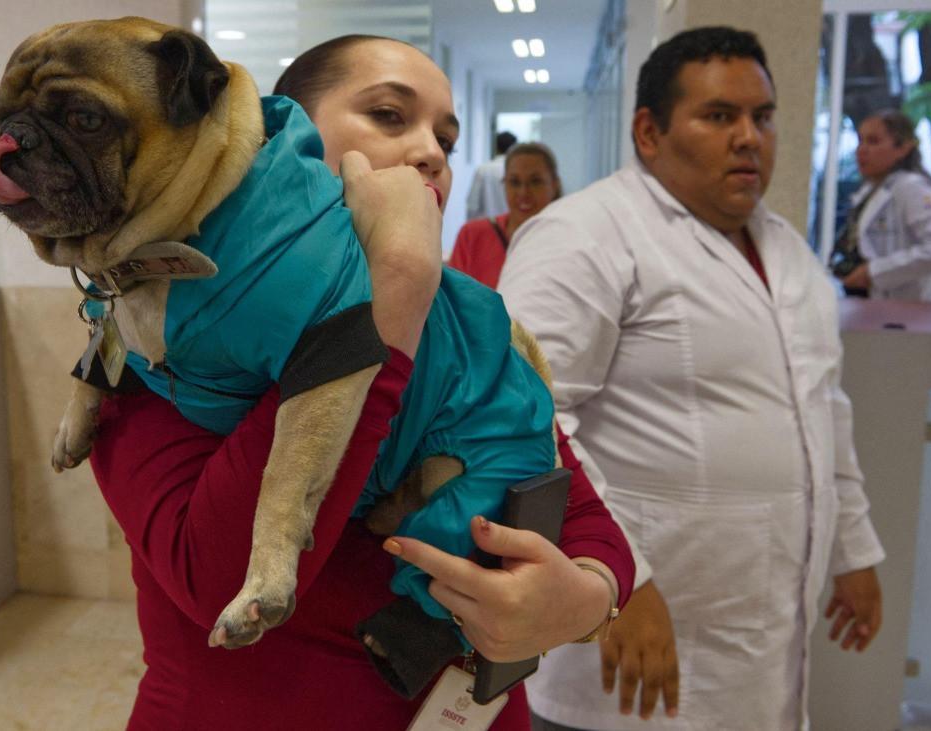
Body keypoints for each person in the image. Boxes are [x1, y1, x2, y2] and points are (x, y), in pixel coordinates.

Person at [88, 33, 634, 730]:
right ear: (277, 136)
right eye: (387, 115)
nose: (431, 152)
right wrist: (392, 285)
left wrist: (583, 600)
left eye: (445, 135)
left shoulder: (465, 327)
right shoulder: (159, 335)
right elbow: (224, 582)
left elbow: (579, 512)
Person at [499, 26, 886, 731]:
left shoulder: (790, 252)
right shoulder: (584, 235)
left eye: (761, 118)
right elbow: (524, 412)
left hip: (763, 642)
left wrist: (853, 551)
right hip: (628, 640)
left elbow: (823, 413)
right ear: (648, 131)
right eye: (718, 116)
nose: (748, 137)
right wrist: (619, 578)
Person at [834, 108, 931, 300]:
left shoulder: (912, 187)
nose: (861, 150)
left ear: (903, 148)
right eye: (860, 140)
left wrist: (874, 273)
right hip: (874, 306)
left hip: (910, 310)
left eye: (873, 141)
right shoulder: (869, 191)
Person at [449, 142, 562, 288]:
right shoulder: (472, 236)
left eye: (535, 181)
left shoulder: (568, 241)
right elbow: (454, 300)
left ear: (555, 184)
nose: (523, 193)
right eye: (514, 182)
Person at [466, 130, 517, 220]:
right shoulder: (517, 170)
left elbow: (472, 206)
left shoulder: (483, 170)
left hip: (487, 227)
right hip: (514, 228)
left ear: (496, 147)